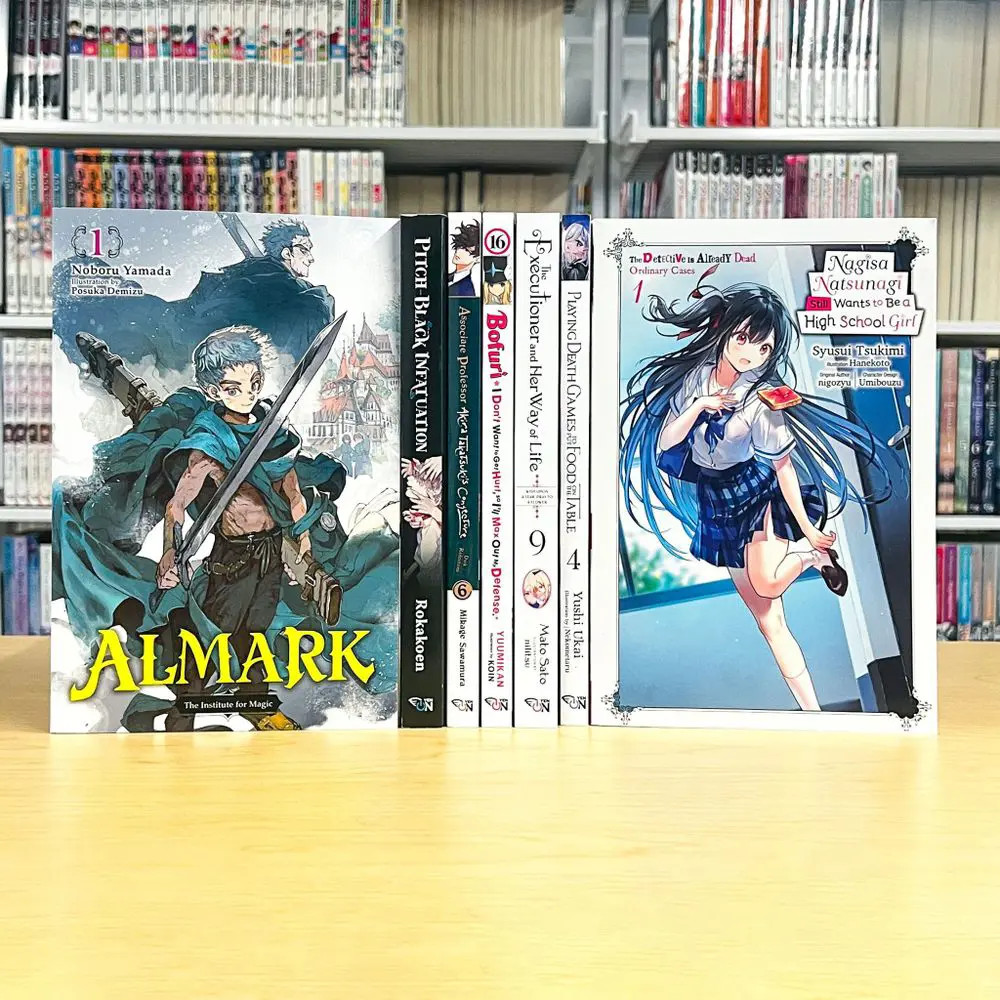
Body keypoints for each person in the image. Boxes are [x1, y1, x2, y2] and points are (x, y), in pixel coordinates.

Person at [620, 279, 894, 711]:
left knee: (767, 583)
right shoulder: (695, 380)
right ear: (726, 330)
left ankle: (810, 556)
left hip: (754, 491)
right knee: (768, 620)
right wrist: (698, 406)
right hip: (715, 500)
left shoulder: (762, 400)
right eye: (744, 338)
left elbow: (782, 466)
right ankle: (813, 714)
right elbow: (666, 444)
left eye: (763, 347)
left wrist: (808, 530)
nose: (750, 353)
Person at [53, 218, 335, 374]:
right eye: (304, 250)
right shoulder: (273, 279)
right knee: (138, 320)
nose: (311, 258)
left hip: (199, 335)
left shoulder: (270, 278)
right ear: (287, 252)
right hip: (195, 335)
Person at [448, 220, 480, 296]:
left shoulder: (467, 289)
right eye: (460, 247)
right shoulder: (447, 277)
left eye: (467, 250)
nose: (459, 251)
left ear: (477, 258)